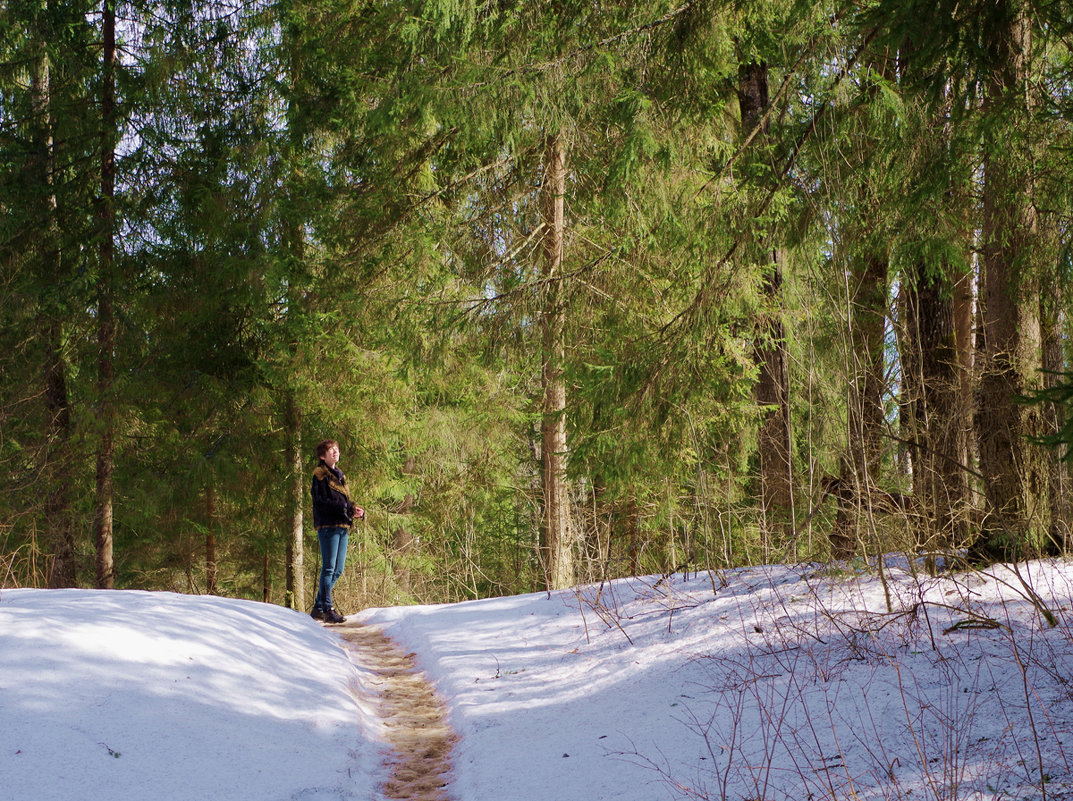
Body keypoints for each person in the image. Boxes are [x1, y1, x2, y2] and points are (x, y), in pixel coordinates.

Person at [310, 439, 364, 624]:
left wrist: (354, 509)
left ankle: (318, 607)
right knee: (329, 568)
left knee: (338, 569)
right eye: (330, 450)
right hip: (327, 526)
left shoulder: (340, 476)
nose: (335, 452)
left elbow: (344, 502)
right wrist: (344, 508)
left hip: (342, 525)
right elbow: (321, 501)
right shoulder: (319, 476)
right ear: (322, 456)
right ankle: (327, 608)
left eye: (336, 449)